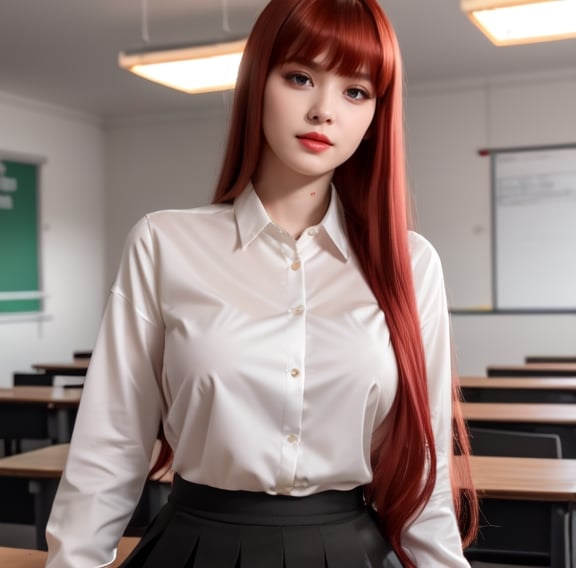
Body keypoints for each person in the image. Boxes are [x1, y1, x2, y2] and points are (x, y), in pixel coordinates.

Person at [45, 0, 478, 566]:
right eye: (300, 77)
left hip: (349, 550)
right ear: (257, 82)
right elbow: (111, 445)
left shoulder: (410, 263)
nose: (324, 110)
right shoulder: (163, 243)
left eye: (356, 91)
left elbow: (426, 466)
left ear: (377, 115)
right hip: (195, 547)